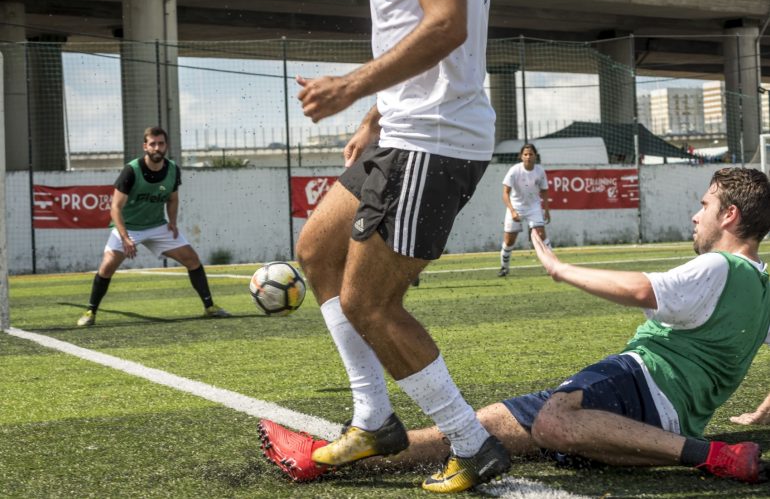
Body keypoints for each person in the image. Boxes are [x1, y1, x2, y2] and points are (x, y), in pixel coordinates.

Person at [261, 167, 770, 489]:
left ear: (729, 214)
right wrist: (763, 409)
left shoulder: (719, 268)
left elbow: (643, 291)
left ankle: (712, 457)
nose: (694, 214)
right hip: (656, 415)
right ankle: (325, 459)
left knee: (554, 421)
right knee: (475, 431)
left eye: (703, 205)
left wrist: (560, 269)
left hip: (644, 386)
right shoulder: (763, 286)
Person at [292, 0, 507, 493]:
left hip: (433, 138)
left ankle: (473, 444)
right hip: (401, 129)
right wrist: (374, 117)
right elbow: (413, 24)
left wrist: (350, 87)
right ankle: (373, 418)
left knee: (369, 304)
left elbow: (448, 25)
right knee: (318, 250)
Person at [76, 126, 230, 327]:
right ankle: (90, 312)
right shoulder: (131, 170)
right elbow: (115, 208)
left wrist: (172, 222)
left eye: (161, 143)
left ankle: (210, 307)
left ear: (166, 146)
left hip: (157, 226)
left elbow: (173, 199)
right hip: (128, 227)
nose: (157, 148)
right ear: (145, 146)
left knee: (192, 259)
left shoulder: (173, 169)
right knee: (107, 267)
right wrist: (125, 237)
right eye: (153, 144)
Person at [498, 143, 551, 277]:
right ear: (521, 156)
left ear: (535, 156)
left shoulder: (540, 171)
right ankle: (504, 268)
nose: (528, 157)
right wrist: (512, 211)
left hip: (533, 207)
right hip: (516, 207)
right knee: (510, 240)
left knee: (541, 235)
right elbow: (505, 193)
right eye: (525, 154)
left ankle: (552, 266)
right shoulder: (514, 170)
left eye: (531, 154)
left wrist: (546, 209)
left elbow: (544, 191)